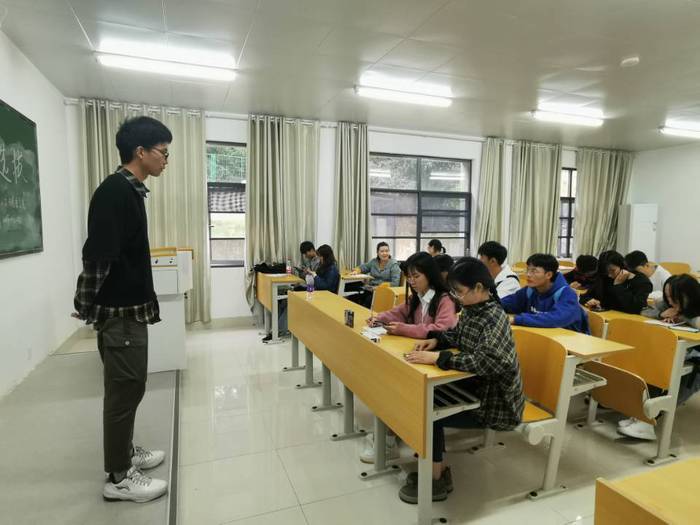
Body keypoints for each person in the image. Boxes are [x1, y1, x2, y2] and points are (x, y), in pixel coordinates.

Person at [72, 116, 170, 503]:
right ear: (140, 152)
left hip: (129, 311)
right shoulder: (114, 192)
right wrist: (84, 303)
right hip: (120, 315)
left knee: (130, 388)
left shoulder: (130, 191)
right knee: (124, 392)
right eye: (163, 152)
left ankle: (125, 453)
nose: (166, 160)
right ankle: (118, 477)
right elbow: (98, 257)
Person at [401, 257, 524, 503]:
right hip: (476, 386)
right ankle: (434, 463)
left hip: (495, 402)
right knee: (418, 393)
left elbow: (490, 361)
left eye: (459, 292)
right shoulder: (472, 309)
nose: (456, 297)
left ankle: (436, 478)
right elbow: (458, 334)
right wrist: (437, 340)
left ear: (478, 288)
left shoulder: (494, 317)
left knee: (428, 411)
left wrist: (439, 358)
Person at [360, 252, 459, 463]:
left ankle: (388, 442)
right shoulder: (418, 297)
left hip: (437, 364)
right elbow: (398, 311)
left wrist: (404, 329)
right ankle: (389, 436)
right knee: (388, 379)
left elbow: (441, 330)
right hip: (419, 357)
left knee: (396, 386)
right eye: (409, 276)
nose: (411, 281)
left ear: (429, 275)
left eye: (416, 276)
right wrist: (379, 318)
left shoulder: (444, 299)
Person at [620, 274, 700, 440]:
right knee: (651, 361)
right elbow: (645, 311)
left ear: (689, 295)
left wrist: (682, 316)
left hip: (695, 357)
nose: (670, 301)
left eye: (674, 298)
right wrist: (662, 314)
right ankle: (641, 416)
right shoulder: (672, 303)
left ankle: (648, 420)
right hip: (676, 350)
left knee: (667, 370)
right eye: (668, 297)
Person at [501, 253, 590, 333]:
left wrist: (516, 319)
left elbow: (557, 319)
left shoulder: (567, 294)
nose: (528, 274)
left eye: (534, 271)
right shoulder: (530, 290)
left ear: (549, 275)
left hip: (570, 341)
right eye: (527, 270)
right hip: (543, 336)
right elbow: (507, 303)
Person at [580, 250, 652, 314]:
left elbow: (635, 308)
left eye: (612, 270)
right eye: (606, 272)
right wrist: (590, 300)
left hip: (630, 321)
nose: (610, 275)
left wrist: (618, 286)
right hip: (607, 318)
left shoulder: (641, 281)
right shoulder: (605, 277)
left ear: (622, 266)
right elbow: (584, 296)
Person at [351, 242, 401, 307]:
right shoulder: (374, 262)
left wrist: (379, 287)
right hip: (370, 289)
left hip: (384, 292)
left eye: (387, 251)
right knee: (353, 297)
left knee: (367, 300)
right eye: (382, 251)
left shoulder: (394, 265)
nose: (385, 253)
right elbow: (363, 268)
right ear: (377, 253)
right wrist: (357, 271)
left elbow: (395, 283)